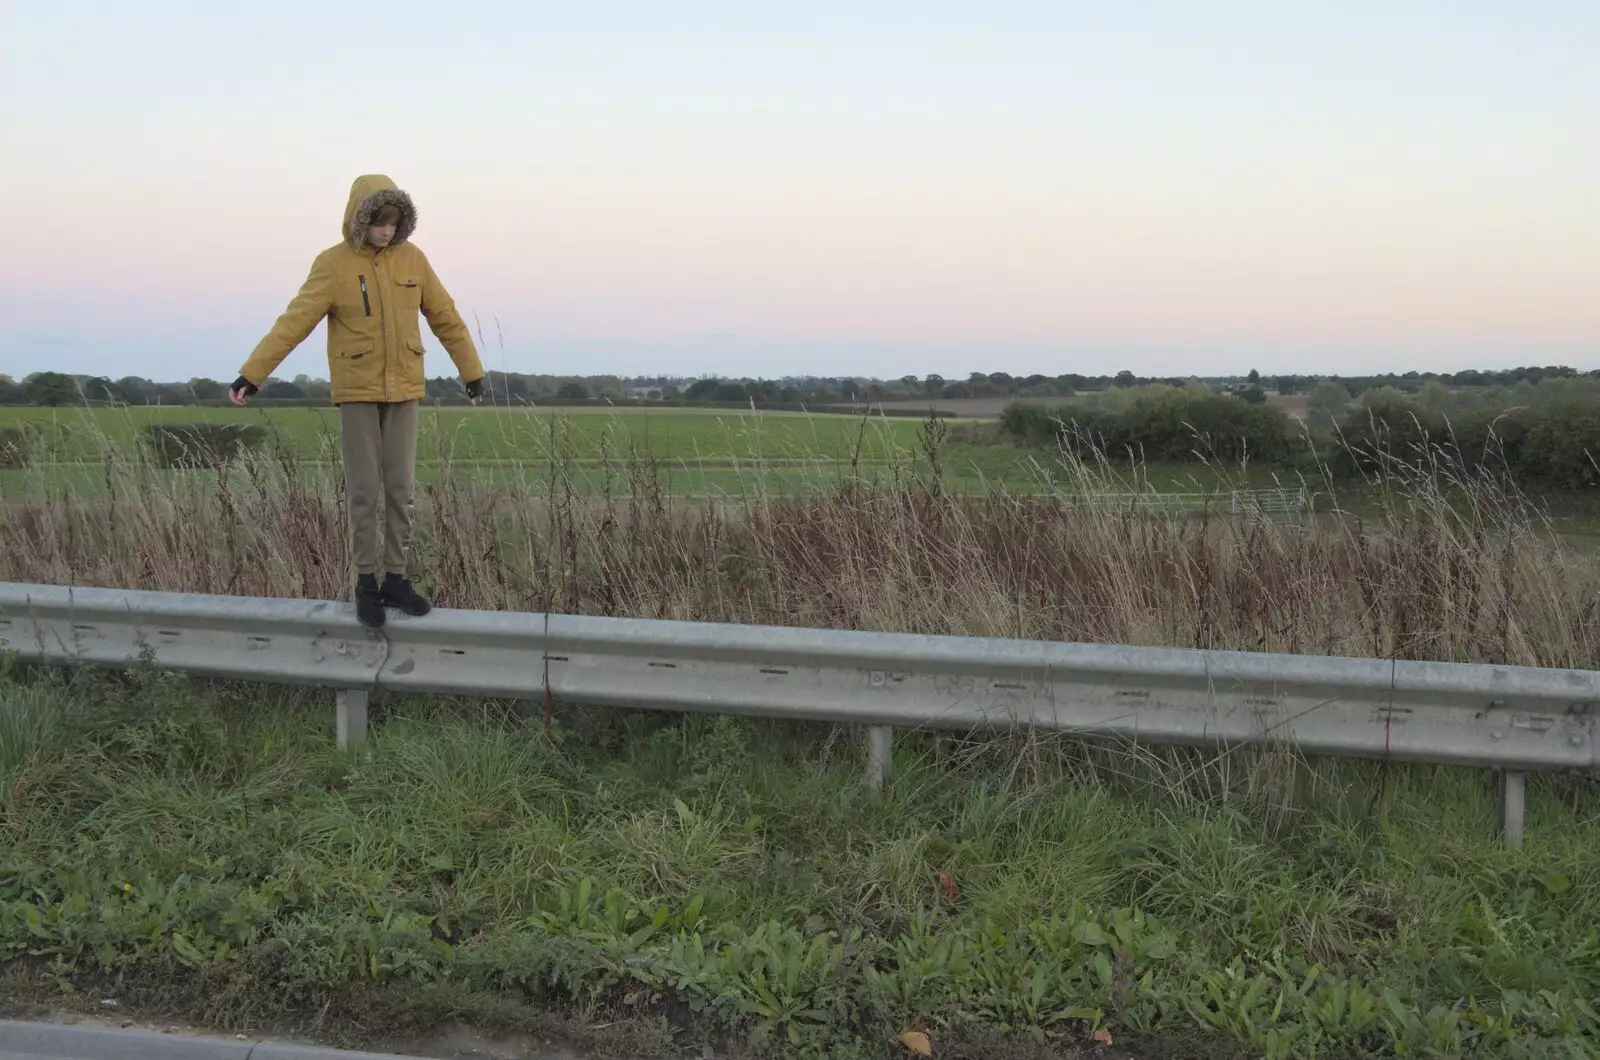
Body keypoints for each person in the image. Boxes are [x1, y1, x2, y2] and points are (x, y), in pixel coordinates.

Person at [229, 174, 487, 629]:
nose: (387, 230)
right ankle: (366, 582)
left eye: (394, 221)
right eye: (379, 222)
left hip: (405, 389)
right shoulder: (333, 264)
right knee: (366, 492)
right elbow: (294, 322)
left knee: (401, 491)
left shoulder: (414, 260)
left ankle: (396, 580)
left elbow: (446, 317)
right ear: (360, 219)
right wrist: (253, 374)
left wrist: (473, 373)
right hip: (357, 392)